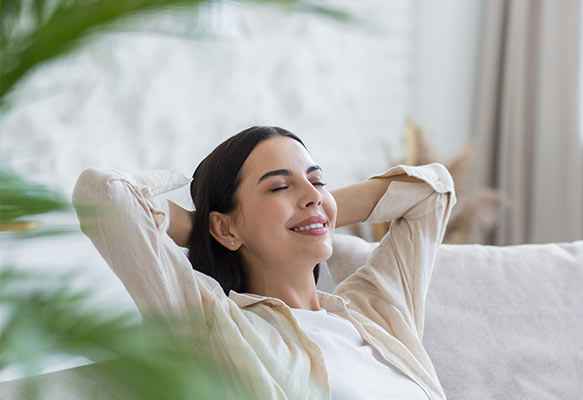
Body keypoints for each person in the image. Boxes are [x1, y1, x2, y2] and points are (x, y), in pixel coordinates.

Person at [73, 126, 456, 399]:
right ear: (224, 228)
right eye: (278, 186)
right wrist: (209, 230)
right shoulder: (216, 326)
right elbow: (103, 194)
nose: (312, 194)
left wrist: (317, 211)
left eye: (317, 180)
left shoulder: (378, 313)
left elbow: (431, 193)